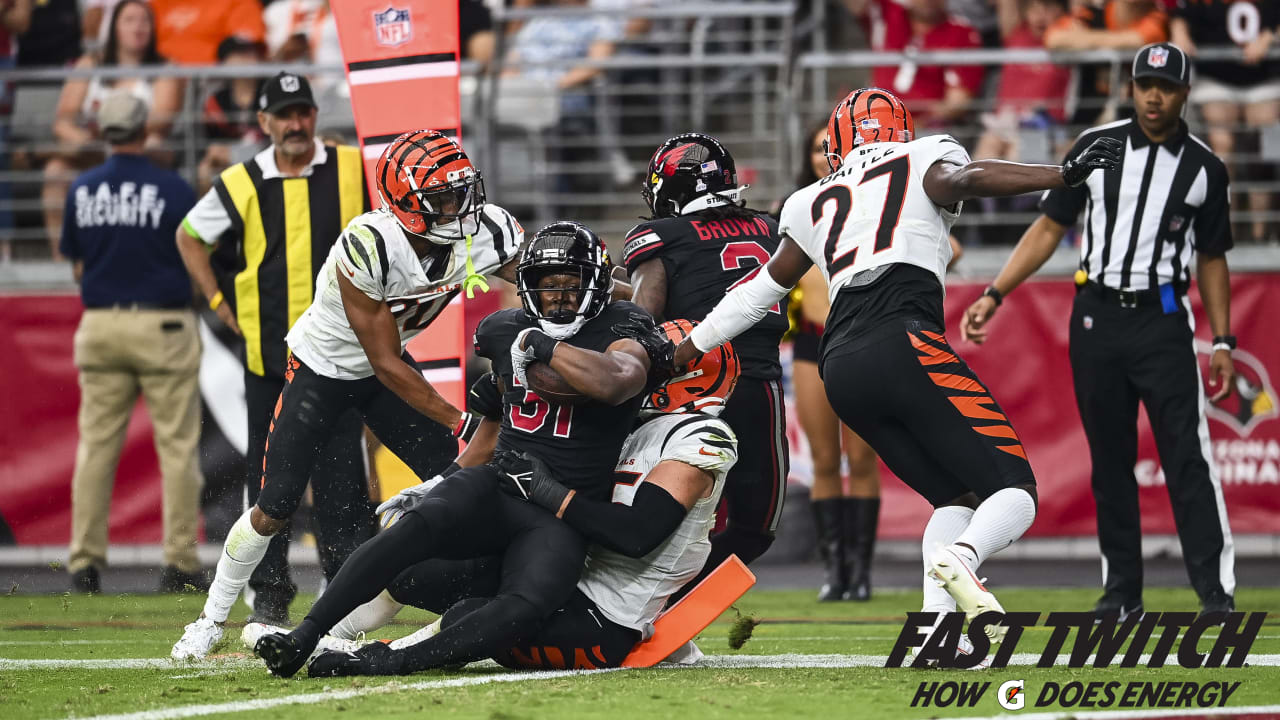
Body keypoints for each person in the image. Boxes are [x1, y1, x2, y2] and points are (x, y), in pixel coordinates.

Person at [670, 87, 1122, 642]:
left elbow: (754, 293)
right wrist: (1062, 173)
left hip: (839, 364)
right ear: (900, 132)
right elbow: (968, 179)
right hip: (902, 335)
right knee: (1015, 492)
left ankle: (937, 632)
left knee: (954, 498)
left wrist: (687, 348)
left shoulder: (809, 200)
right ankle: (964, 557)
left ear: (838, 143)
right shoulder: (926, 155)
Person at [172, 127, 525, 659]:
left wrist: (618, 293)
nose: (461, 207)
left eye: (463, 191)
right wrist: (462, 421)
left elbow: (549, 283)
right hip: (326, 370)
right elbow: (383, 363)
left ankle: (351, 627)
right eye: (443, 198)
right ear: (407, 204)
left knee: (465, 482)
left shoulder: (487, 228)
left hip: (384, 367)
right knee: (275, 505)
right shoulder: (368, 245)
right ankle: (209, 619)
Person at [249, 221, 656, 678]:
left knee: (526, 607)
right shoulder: (505, 327)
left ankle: (395, 660)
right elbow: (494, 424)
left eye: (571, 284)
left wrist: (541, 345)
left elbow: (615, 383)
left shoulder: (622, 324)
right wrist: (443, 479)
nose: (558, 296)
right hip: (498, 486)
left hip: (560, 509)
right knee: (414, 527)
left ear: (598, 284)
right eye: (547, 285)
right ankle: (304, 634)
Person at [286, 321, 741, 676]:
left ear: (688, 378)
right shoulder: (632, 422)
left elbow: (637, 534)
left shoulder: (700, 436)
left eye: (656, 361)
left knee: (476, 615)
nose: (638, 365)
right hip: (570, 570)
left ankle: (386, 657)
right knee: (413, 574)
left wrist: (551, 494)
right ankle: (321, 634)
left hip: (602, 616)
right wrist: (506, 392)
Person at [960, 43, 1238, 619]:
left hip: (1163, 320)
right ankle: (1121, 594)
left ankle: (1215, 593)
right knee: (1109, 460)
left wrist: (1227, 340)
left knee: (1186, 457)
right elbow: (1049, 225)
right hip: (1097, 316)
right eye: (1144, 84)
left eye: (1164, 86)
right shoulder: (1095, 146)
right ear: (1131, 87)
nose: (1153, 96)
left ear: (1185, 93)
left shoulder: (1204, 167)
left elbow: (1212, 257)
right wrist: (995, 292)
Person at [173, 72, 371, 630]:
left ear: (313, 115)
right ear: (263, 123)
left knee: (341, 477)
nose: (295, 123)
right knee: (268, 479)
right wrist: (215, 298)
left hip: (341, 356)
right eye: (283, 114)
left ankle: (344, 586)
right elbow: (189, 235)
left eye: (303, 111)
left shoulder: (355, 166)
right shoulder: (240, 182)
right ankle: (270, 590)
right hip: (268, 359)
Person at [784, 122, 963, 602]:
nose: (826, 157)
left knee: (862, 459)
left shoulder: (876, 197)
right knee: (823, 460)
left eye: (832, 147)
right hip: (810, 339)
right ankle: (834, 570)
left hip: (859, 334)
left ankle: (860, 572)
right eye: (819, 149)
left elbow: (953, 245)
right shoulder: (806, 206)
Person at [623, 133, 788, 596]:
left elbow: (643, 316)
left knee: (648, 508)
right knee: (755, 527)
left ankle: (643, 599)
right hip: (757, 385)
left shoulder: (661, 235)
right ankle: (669, 601)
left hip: (684, 387)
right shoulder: (770, 227)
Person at [59, 91, 201, 594]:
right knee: (178, 448)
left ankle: (84, 561)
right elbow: (193, 254)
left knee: (95, 448)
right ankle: (179, 561)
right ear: (147, 130)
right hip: (162, 324)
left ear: (104, 133)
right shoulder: (172, 188)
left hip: (100, 323)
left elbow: (77, 265)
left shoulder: (82, 189)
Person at [44, 0, 181, 260]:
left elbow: (161, 120)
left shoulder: (166, 67)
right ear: (113, 27)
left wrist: (112, 134)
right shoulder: (89, 64)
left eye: (144, 21)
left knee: (154, 143)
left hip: (143, 154)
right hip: (92, 152)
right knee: (55, 171)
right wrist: (88, 140)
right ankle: (61, 262)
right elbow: (62, 121)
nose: (138, 27)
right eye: (129, 20)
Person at [1171, 0, 1279, 243]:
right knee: (1222, 145)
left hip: (1265, 80)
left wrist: (1269, 37)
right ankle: (1224, 227)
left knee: (1262, 147)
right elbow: (1181, 14)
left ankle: (1261, 232)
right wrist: (1180, 34)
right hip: (1215, 79)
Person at [843, 0, 985, 127]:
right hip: (875, 119)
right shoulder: (887, 13)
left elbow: (957, 102)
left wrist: (911, 125)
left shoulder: (962, 32)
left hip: (928, 129)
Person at [150, 0, 265, 66]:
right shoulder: (157, 4)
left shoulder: (239, 2)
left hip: (213, 84)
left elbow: (247, 54)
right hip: (157, 80)